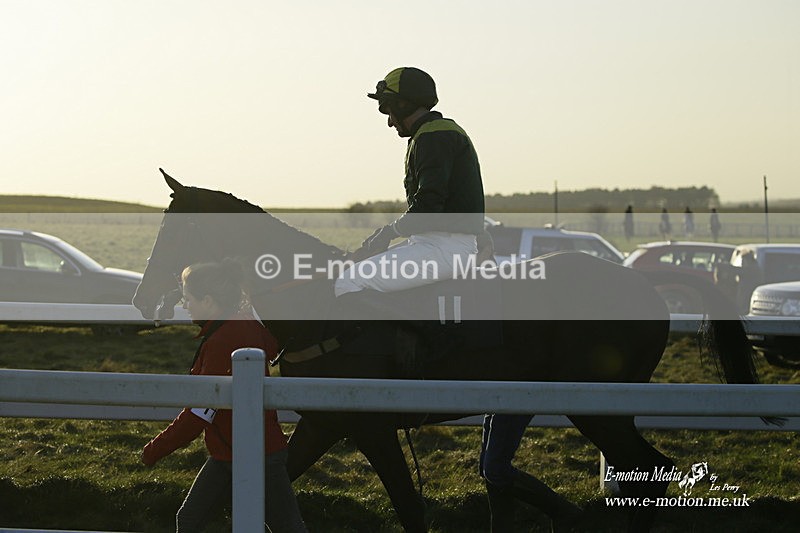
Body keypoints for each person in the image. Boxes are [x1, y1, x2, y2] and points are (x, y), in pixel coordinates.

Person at [141, 260, 307, 533]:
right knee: (192, 519)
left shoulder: (223, 340)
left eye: (188, 298)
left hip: (251, 454)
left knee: (284, 527)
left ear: (208, 300)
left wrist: (153, 450)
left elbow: (199, 413)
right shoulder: (241, 325)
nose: (185, 305)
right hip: (238, 451)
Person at [334, 66, 485, 297]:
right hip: (432, 242)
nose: (390, 122)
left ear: (403, 105)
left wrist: (389, 231)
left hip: (445, 248)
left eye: (389, 111)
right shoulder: (431, 133)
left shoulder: (433, 136)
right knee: (357, 269)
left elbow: (429, 204)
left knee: (349, 281)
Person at [480, 414, 581, 531]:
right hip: (499, 404)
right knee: (489, 469)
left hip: (510, 403)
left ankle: (563, 510)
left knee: (495, 470)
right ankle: (563, 511)